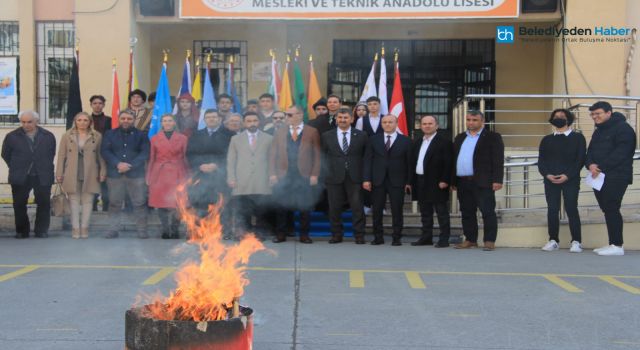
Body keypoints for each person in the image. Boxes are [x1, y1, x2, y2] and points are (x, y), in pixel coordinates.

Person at [585, 101, 637, 256]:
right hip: (598, 176)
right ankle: (612, 243)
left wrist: (599, 167)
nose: (595, 117)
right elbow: (591, 151)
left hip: (617, 176)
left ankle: (617, 245)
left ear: (609, 113)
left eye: (598, 113)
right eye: (592, 114)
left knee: (612, 207)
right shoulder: (598, 130)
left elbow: (623, 153)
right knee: (607, 209)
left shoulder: (624, 129)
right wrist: (590, 165)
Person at [452, 110, 504, 251]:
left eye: (474, 120)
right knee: (467, 212)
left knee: (487, 211)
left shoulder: (492, 137)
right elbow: (455, 159)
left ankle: (489, 241)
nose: (471, 122)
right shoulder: (460, 137)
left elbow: (498, 160)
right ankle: (470, 240)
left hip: (483, 181)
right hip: (463, 181)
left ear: (482, 121)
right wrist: (453, 181)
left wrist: (497, 180)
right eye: (468, 119)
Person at [269, 105, 321, 243]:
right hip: (283, 174)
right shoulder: (280, 131)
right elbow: (273, 155)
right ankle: (281, 234)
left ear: (300, 115)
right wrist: (272, 174)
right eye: (286, 114)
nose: (287, 117)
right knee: (281, 205)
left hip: (304, 174)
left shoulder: (312, 131)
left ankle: (304, 235)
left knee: (305, 206)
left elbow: (317, 155)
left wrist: (314, 174)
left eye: (289, 115)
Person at [2, 110, 56, 238]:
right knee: (19, 204)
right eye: (23, 122)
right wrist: (17, 166)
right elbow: (5, 154)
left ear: (36, 121)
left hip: (42, 174)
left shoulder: (47, 135)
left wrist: (42, 165)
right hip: (20, 175)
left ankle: (41, 231)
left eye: (29, 122)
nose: (26, 125)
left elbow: (51, 154)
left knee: (44, 203)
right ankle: (22, 231)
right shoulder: (12, 136)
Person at [538, 109, 586, 253]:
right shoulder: (546, 139)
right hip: (550, 180)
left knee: (571, 209)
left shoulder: (578, 138)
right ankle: (553, 240)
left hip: (570, 180)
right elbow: (541, 161)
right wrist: (547, 175)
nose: (558, 118)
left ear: (569, 119)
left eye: (562, 116)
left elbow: (580, 160)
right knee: (552, 210)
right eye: (555, 116)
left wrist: (568, 175)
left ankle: (576, 241)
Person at [55, 112, 106, 238]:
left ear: (90, 122)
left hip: (91, 171)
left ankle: (84, 228)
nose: (82, 123)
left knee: (88, 201)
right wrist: (59, 173)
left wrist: (103, 171)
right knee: (74, 201)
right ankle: (75, 228)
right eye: (79, 120)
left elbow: (101, 156)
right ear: (75, 121)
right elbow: (62, 156)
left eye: (85, 120)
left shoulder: (97, 136)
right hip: (72, 171)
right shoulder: (67, 135)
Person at [363, 115, 412, 246]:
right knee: (377, 210)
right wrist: (366, 179)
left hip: (398, 180)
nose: (387, 124)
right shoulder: (373, 139)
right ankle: (378, 237)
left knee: (397, 210)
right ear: (381, 124)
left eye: (390, 122)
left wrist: (408, 181)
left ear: (396, 123)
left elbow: (409, 163)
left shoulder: (406, 141)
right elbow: (368, 160)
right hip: (377, 180)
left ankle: (397, 238)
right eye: (384, 122)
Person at [322, 107, 368, 244]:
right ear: (336, 120)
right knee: (334, 208)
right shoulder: (326, 135)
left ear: (352, 119)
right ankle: (336, 234)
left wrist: (366, 177)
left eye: (346, 117)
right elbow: (323, 157)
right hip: (333, 177)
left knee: (357, 207)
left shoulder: (362, 135)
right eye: (340, 118)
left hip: (355, 177)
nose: (342, 120)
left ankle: (359, 235)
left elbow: (366, 157)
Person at [101, 110, 150, 239]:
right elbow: (105, 151)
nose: (126, 121)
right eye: (123, 118)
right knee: (114, 204)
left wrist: (130, 166)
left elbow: (145, 153)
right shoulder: (110, 134)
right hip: (115, 174)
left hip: (136, 175)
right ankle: (113, 229)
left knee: (139, 203)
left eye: (129, 118)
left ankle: (142, 230)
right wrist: (118, 164)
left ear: (133, 120)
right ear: (119, 119)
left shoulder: (141, 135)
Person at [187, 109, 235, 237]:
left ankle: (224, 232)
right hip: (201, 175)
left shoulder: (229, 134)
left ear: (219, 119)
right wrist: (200, 165)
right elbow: (190, 153)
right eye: (208, 117)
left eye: (214, 117)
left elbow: (232, 154)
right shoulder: (196, 134)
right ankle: (200, 231)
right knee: (200, 204)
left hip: (220, 175)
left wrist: (217, 165)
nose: (211, 119)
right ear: (204, 120)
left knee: (222, 204)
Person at [227, 111, 273, 239]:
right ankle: (245, 235)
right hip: (242, 181)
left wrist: (272, 176)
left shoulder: (269, 138)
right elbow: (231, 160)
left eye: (255, 121)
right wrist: (231, 178)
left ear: (259, 122)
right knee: (243, 210)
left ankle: (260, 235)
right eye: (249, 121)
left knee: (261, 210)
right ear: (244, 123)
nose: (252, 123)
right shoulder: (235, 139)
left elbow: (272, 159)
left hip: (262, 179)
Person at [410, 115, 453, 247]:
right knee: (425, 212)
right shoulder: (417, 142)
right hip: (421, 181)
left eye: (430, 123)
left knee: (441, 212)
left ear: (436, 126)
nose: (427, 126)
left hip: (437, 182)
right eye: (424, 124)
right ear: (420, 126)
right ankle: (426, 237)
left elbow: (449, 163)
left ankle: (444, 239)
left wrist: (445, 180)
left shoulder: (444, 142)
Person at [147, 114, 189, 239]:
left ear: (174, 122)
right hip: (160, 172)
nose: (167, 123)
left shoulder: (183, 138)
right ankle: (165, 229)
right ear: (161, 123)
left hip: (178, 171)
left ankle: (175, 229)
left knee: (178, 202)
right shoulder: (154, 138)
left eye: (170, 120)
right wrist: (149, 175)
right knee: (161, 202)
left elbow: (185, 156)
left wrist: (188, 174)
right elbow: (152, 158)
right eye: (164, 121)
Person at [89, 95, 111, 212]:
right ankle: (92, 207)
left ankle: (106, 208)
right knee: (92, 181)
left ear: (103, 105)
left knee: (105, 182)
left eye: (100, 103)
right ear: (91, 105)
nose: (97, 105)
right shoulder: (86, 120)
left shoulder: (109, 120)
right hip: (90, 155)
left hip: (104, 154)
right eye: (95, 103)